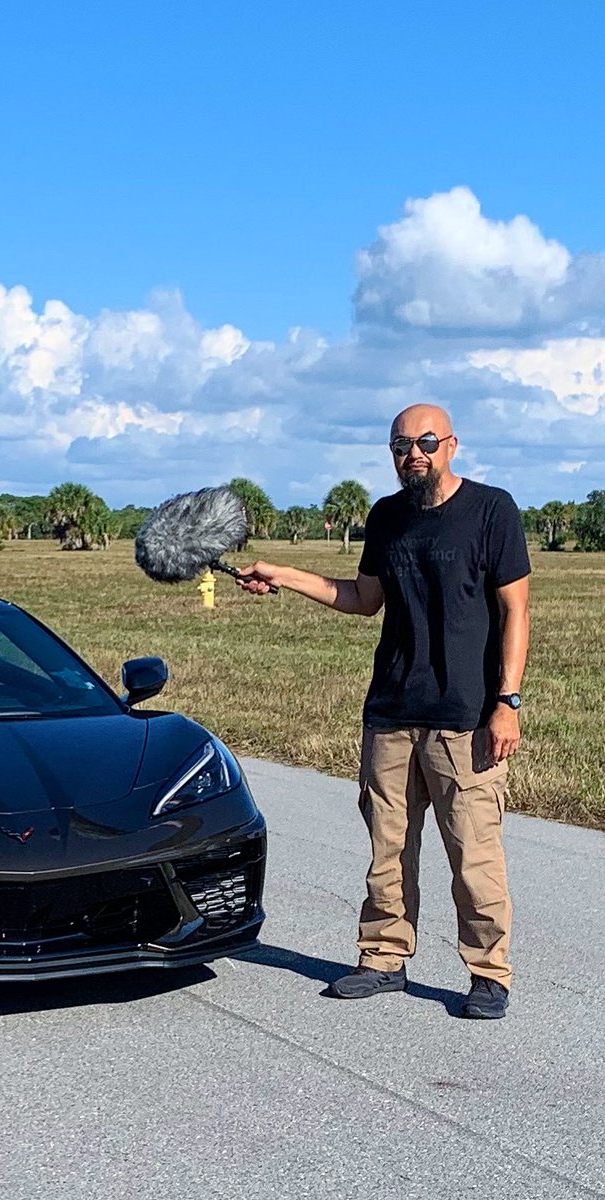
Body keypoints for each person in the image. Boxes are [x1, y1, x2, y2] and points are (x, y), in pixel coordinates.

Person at [236, 404, 530, 1020]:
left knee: (474, 853)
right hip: (391, 713)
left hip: (465, 717)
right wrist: (283, 574)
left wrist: (507, 703)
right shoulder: (386, 517)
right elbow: (363, 598)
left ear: (452, 445)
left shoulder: (491, 510)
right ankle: (383, 958)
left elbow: (515, 613)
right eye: (400, 444)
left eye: (425, 441)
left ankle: (487, 972)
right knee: (388, 848)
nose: (413, 453)